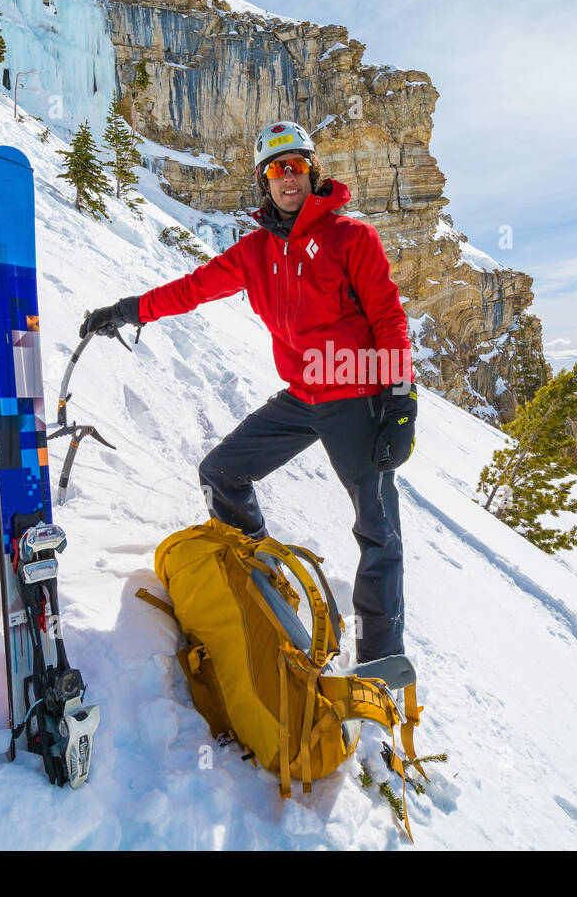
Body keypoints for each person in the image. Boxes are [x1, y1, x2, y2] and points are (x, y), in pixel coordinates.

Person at [81, 121, 416, 664]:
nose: (289, 178)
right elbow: (191, 290)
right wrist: (126, 311)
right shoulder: (255, 252)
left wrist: (401, 403)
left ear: (313, 172)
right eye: (277, 169)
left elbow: (388, 319)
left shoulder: (352, 238)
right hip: (303, 395)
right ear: (265, 180)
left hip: (358, 395)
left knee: (377, 532)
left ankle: (381, 661)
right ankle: (264, 579)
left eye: (298, 166)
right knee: (222, 472)